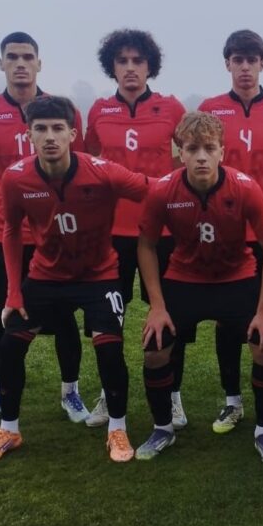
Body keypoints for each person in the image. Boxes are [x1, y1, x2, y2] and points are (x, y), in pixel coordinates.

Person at [0, 96, 148, 464]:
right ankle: (10, 430)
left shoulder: (102, 171)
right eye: (41, 129)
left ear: (72, 133)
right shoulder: (16, 177)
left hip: (99, 276)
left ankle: (117, 428)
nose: (50, 136)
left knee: (109, 348)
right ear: (29, 135)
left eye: (58, 128)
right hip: (46, 276)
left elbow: (152, 189)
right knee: (10, 346)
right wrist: (14, 292)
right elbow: (11, 231)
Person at [136, 112, 263, 467]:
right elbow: (146, 246)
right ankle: (163, 428)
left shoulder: (245, 187)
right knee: (155, 348)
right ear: (180, 153)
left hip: (236, 276)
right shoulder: (163, 190)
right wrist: (157, 306)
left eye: (209, 148)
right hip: (185, 277)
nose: (201, 156)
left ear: (222, 152)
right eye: (192, 149)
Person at [0, 32, 87, 429]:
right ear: (1, 63)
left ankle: (70, 392)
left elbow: (82, 172)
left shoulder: (63, 111)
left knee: (64, 318)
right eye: (12, 57)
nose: (20, 64)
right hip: (3, 235)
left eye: (28, 57)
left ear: (39, 63)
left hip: (54, 236)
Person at [197, 29, 263, 435]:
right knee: (228, 320)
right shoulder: (210, 109)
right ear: (227, 64)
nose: (245, 67)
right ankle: (232, 401)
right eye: (238, 60)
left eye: (252, 60)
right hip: (224, 234)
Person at [84, 29, 187, 428]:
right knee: (108, 318)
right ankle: (109, 394)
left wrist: (169, 188)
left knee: (169, 314)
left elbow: (189, 155)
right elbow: (89, 163)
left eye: (138, 61)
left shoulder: (171, 108)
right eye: (122, 61)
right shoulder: (98, 111)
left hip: (162, 232)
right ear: (111, 66)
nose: (130, 68)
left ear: (150, 66)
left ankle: (173, 395)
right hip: (109, 234)